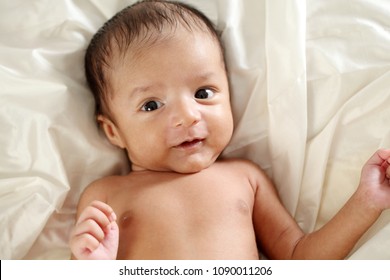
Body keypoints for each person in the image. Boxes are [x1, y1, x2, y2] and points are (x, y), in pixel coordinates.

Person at [69, 0, 390, 260]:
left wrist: (365, 202)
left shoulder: (245, 178)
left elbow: (300, 258)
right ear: (113, 132)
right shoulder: (105, 196)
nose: (188, 116)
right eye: (151, 105)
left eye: (203, 93)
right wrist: (93, 266)